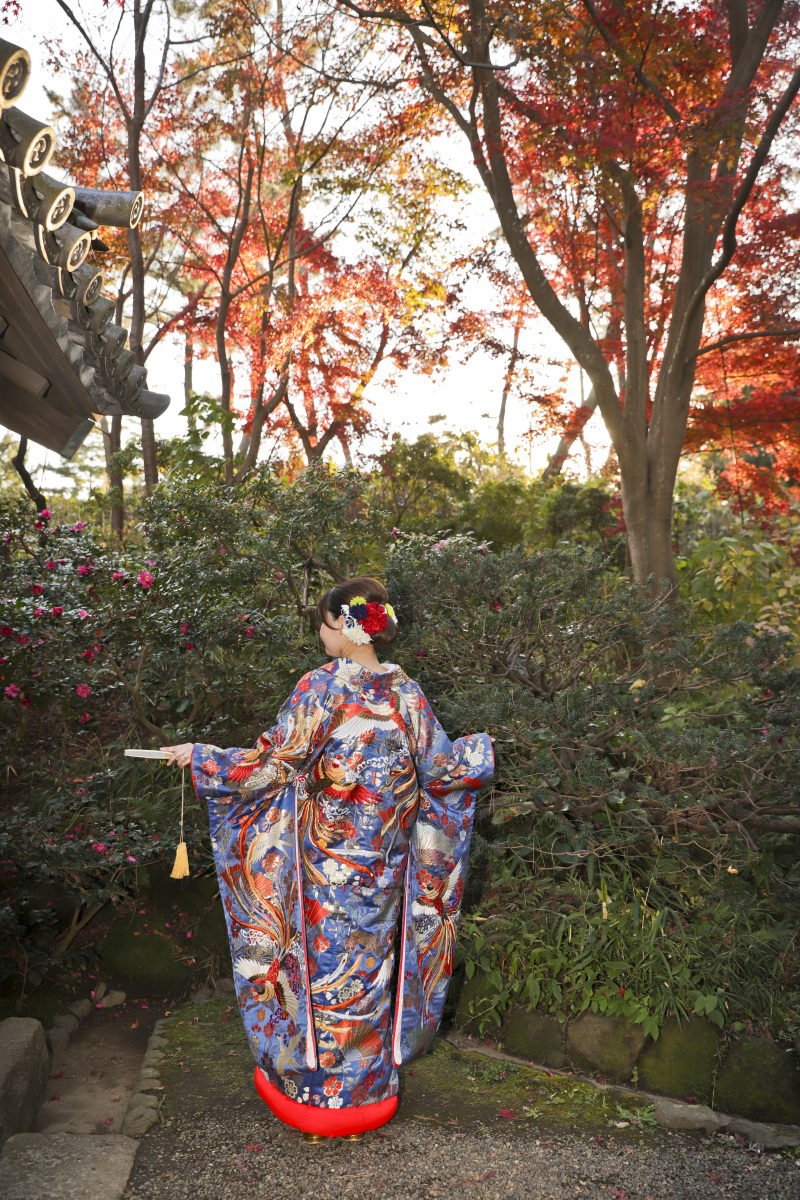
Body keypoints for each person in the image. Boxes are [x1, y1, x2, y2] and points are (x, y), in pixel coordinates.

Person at [162, 576, 494, 1142]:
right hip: (384, 868)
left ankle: (321, 1098)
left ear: (344, 621)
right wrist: (479, 751)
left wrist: (203, 757)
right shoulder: (407, 693)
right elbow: (442, 772)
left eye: (321, 622)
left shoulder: (323, 686)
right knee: (371, 969)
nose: (319, 634)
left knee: (321, 973)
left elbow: (273, 763)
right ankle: (370, 1093)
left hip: (325, 866)